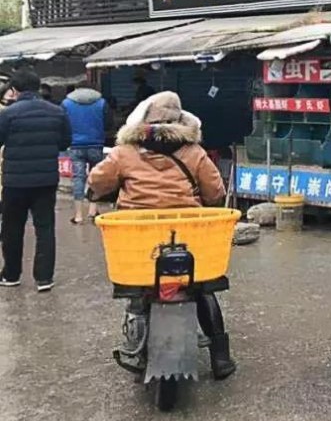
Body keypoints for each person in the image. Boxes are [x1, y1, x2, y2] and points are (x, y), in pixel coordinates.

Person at [86, 91, 236, 380]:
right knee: (202, 287)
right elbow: (215, 191)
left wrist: (97, 192)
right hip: (188, 235)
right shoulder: (194, 152)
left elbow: (97, 182)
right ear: (180, 120)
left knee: (139, 287)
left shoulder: (124, 151)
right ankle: (220, 357)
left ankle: (135, 346)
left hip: (138, 238)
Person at [0, 69, 72, 292]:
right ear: (38, 86)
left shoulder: (8, 114)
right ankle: (44, 278)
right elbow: (64, 143)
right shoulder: (57, 111)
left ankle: (11, 274)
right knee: (45, 227)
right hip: (46, 180)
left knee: (12, 228)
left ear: (14, 90)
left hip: (15, 180)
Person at [62, 80, 112, 224]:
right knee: (95, 177)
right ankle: (92, 210)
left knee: (78, 178)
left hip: (75, 146)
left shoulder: (66, 103)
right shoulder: (102, 103)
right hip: (96, 144)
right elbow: (108, 124)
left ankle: (78, 215)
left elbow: (62, 123)